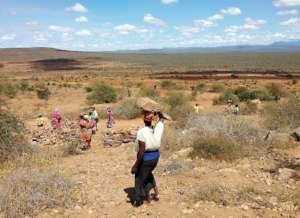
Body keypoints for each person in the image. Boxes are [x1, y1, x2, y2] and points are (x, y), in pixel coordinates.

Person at [131, 110, 164, 206]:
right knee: (148, 174)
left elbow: (141, 152)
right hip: (155, 157)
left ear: (143, 119)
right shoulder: (156, 129)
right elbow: (161, 121)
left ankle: (138, 201)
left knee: (138, 178)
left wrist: (135, 165)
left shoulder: (142, 132)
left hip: (146, 158)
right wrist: (159, 114)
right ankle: (153, 195)